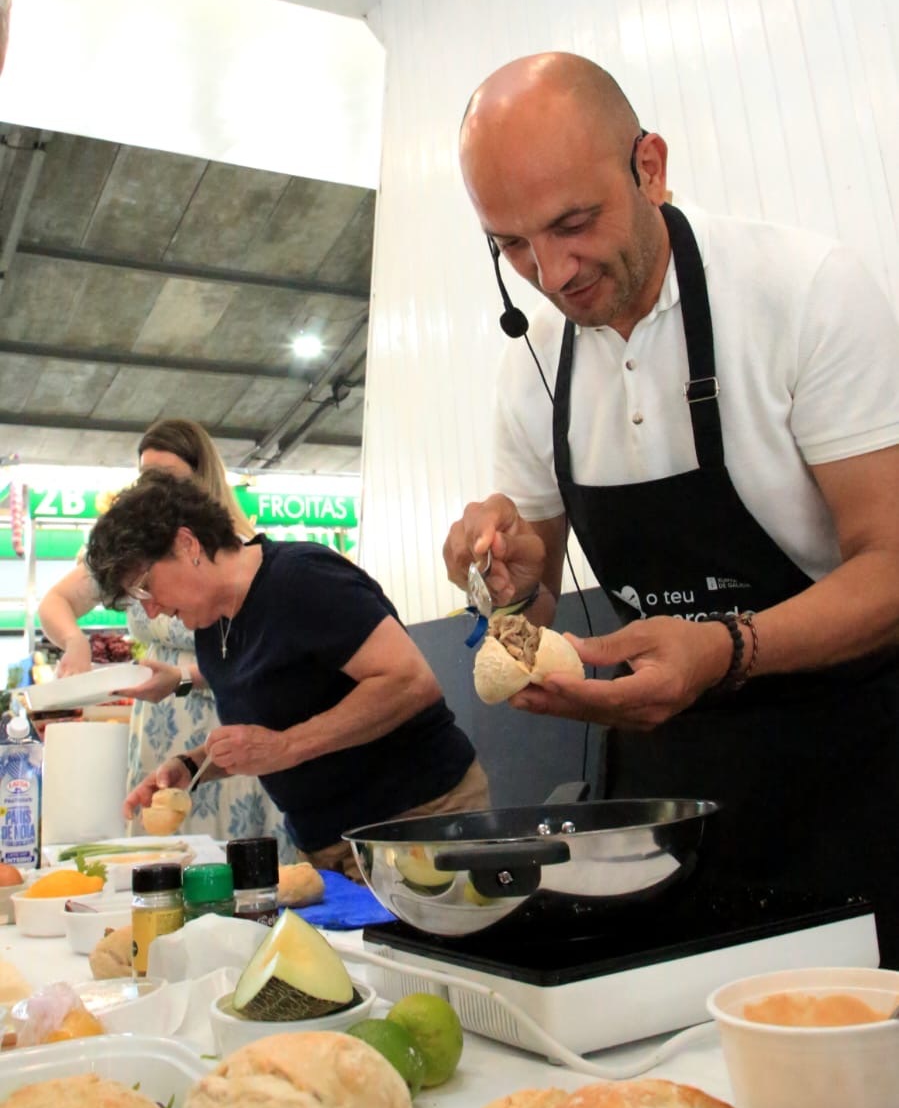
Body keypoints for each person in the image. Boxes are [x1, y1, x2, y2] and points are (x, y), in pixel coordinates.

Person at [443, 50, 899, 961]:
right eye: (512, 244)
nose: (552, 272)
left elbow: (889, 564)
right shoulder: (533, 365)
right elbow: (524, 615)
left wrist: (725, 648)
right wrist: (502, 591)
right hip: (667, 797)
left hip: (854, 771)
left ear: (648, 167)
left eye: (574, 223)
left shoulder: (801, 292)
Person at [85, 470, 488, 876]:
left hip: (418, 821)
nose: (149, 609)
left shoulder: (302, 579)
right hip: (326, 846)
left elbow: (410, 682)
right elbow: (269, 733)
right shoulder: (211, 625)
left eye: (144, 587)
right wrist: (192, 767)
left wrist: (287, 747)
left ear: (187, 544)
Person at [37, 419, 293, 854]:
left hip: (223, 721)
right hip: (157, 725)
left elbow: (261, 657)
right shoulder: (135, 548)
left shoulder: (240, 551)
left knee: (230, 858)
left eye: (169, 478)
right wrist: (75, 642)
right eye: (147, 477)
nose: (156, 490)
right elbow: (56, 601)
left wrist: (180, 677)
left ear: (202, 478)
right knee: (163, 852)